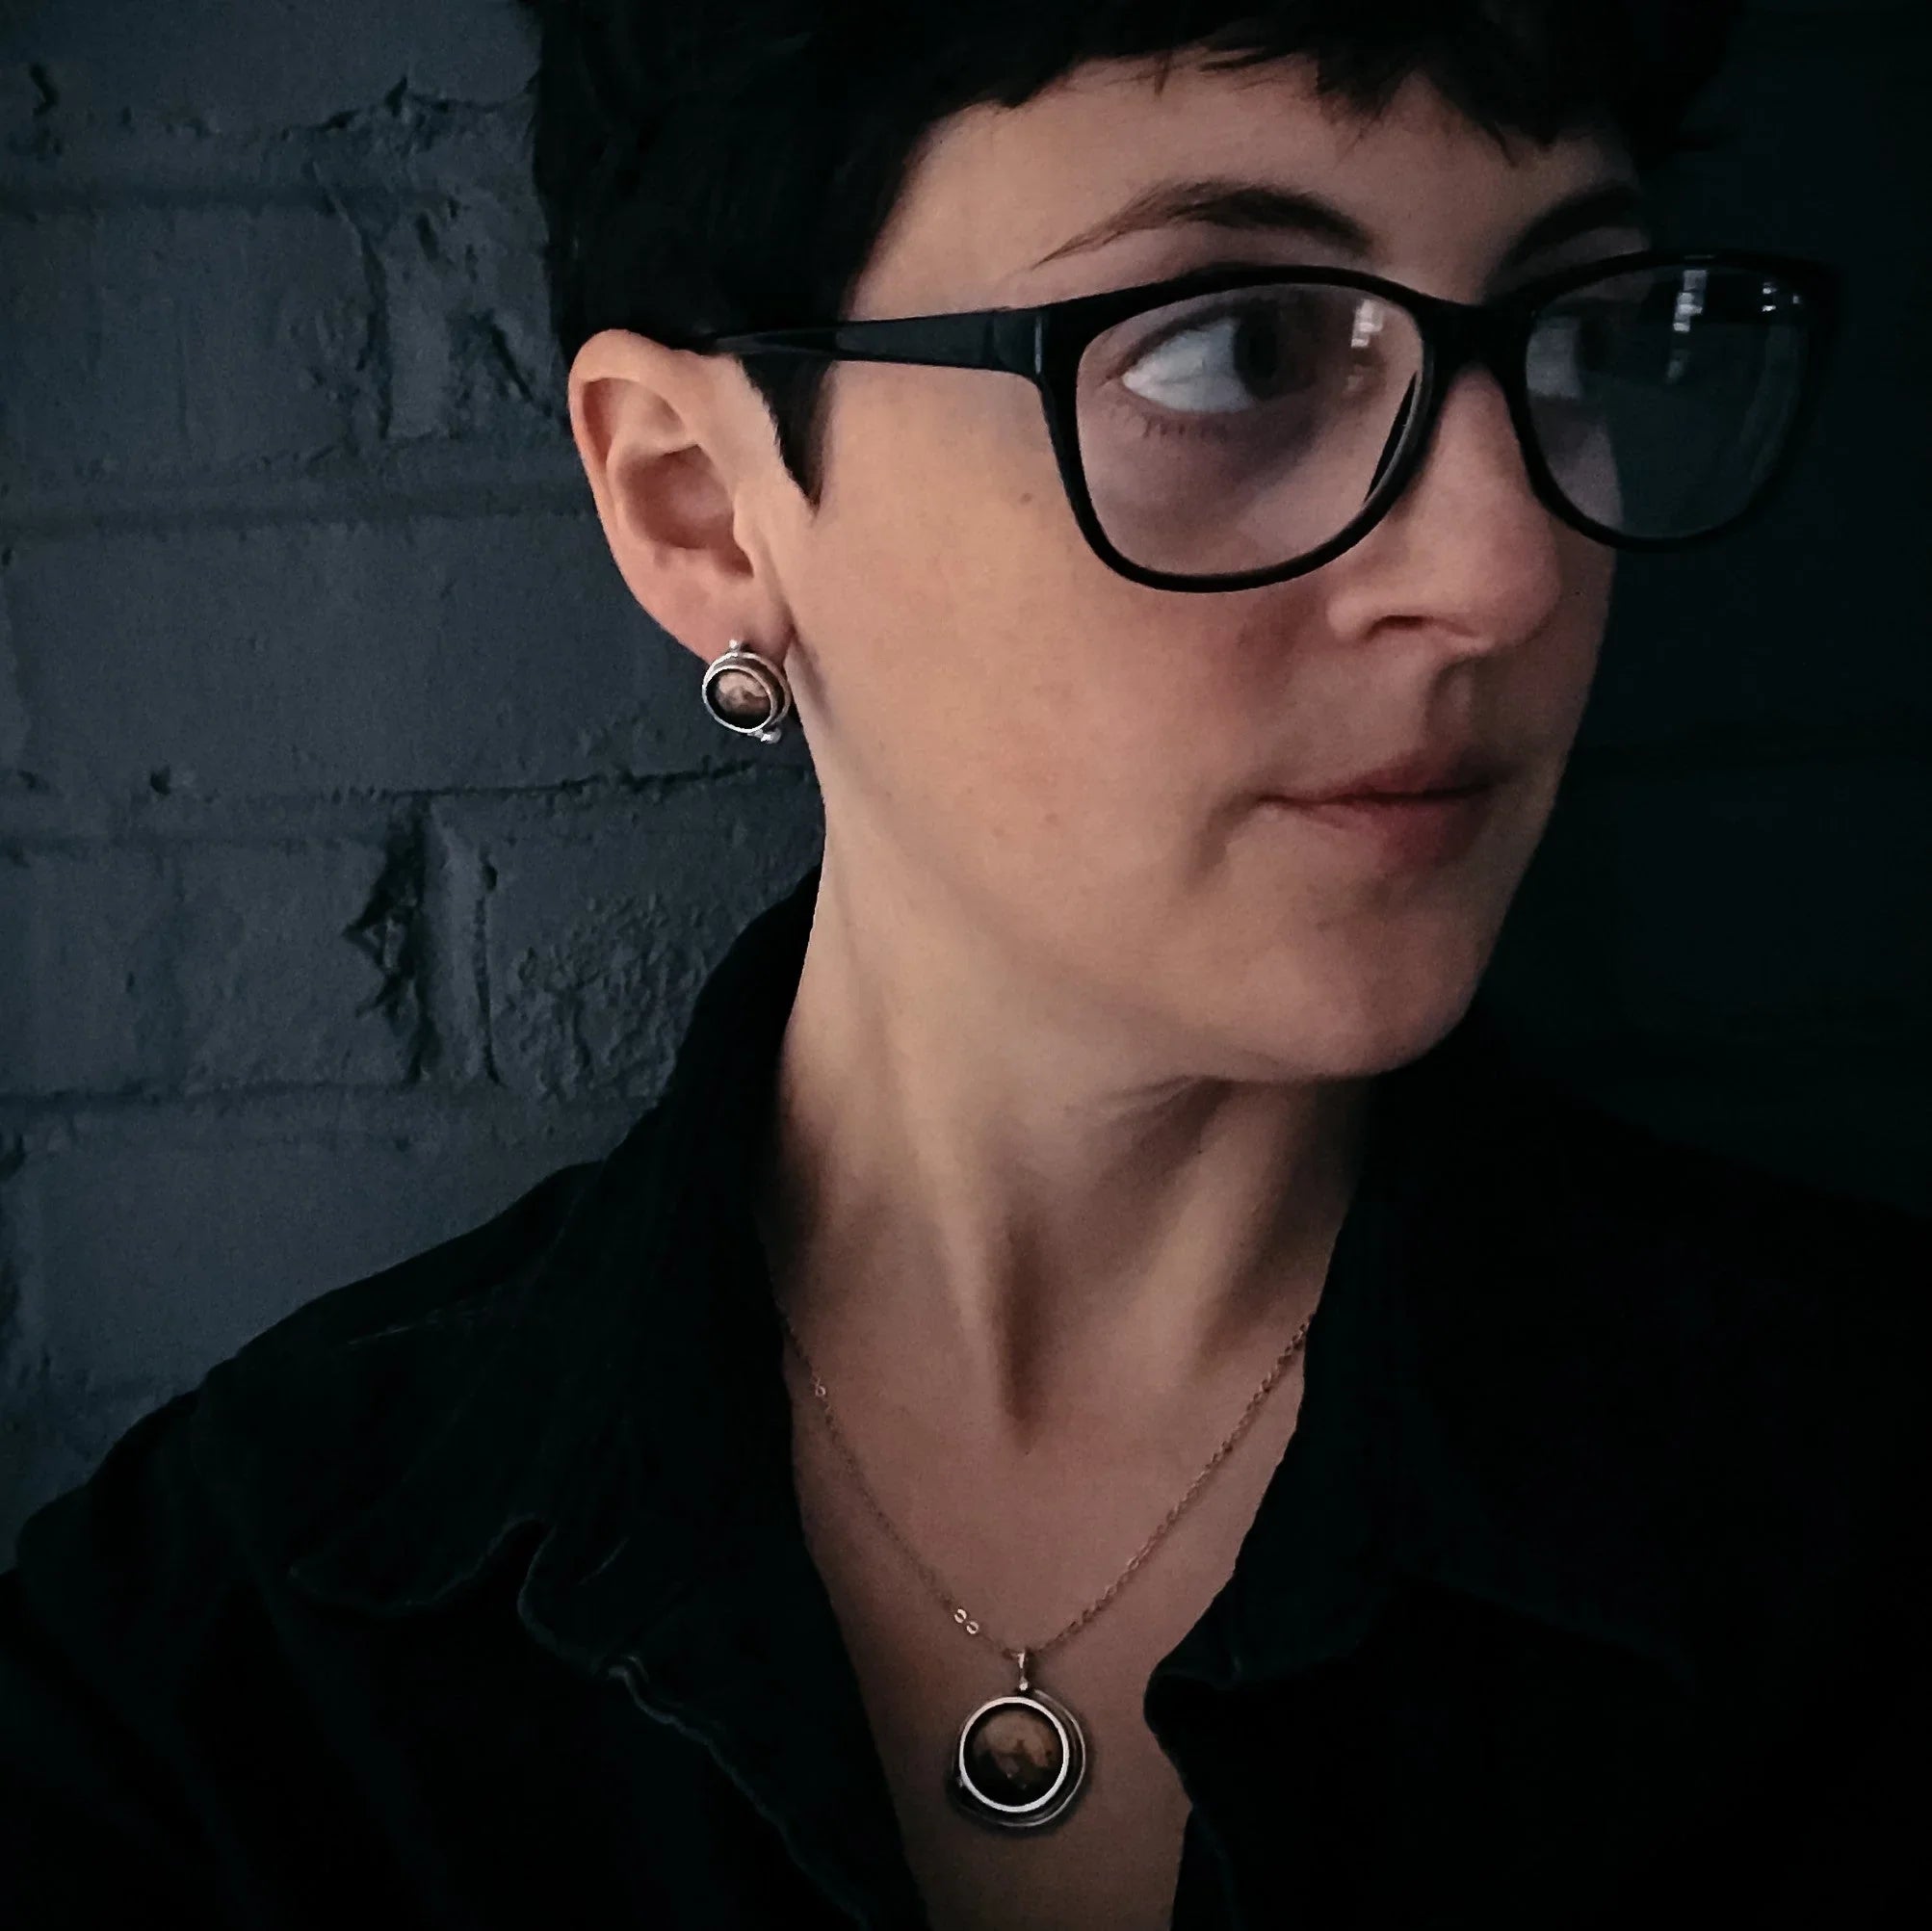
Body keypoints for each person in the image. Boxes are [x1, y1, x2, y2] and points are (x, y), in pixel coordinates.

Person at [2, 4, 1926, 1927]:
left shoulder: (1853, 1530)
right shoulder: (219, 1669)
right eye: (1235, 348)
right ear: (697, 503)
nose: (1504, 569)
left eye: (1570, 334)